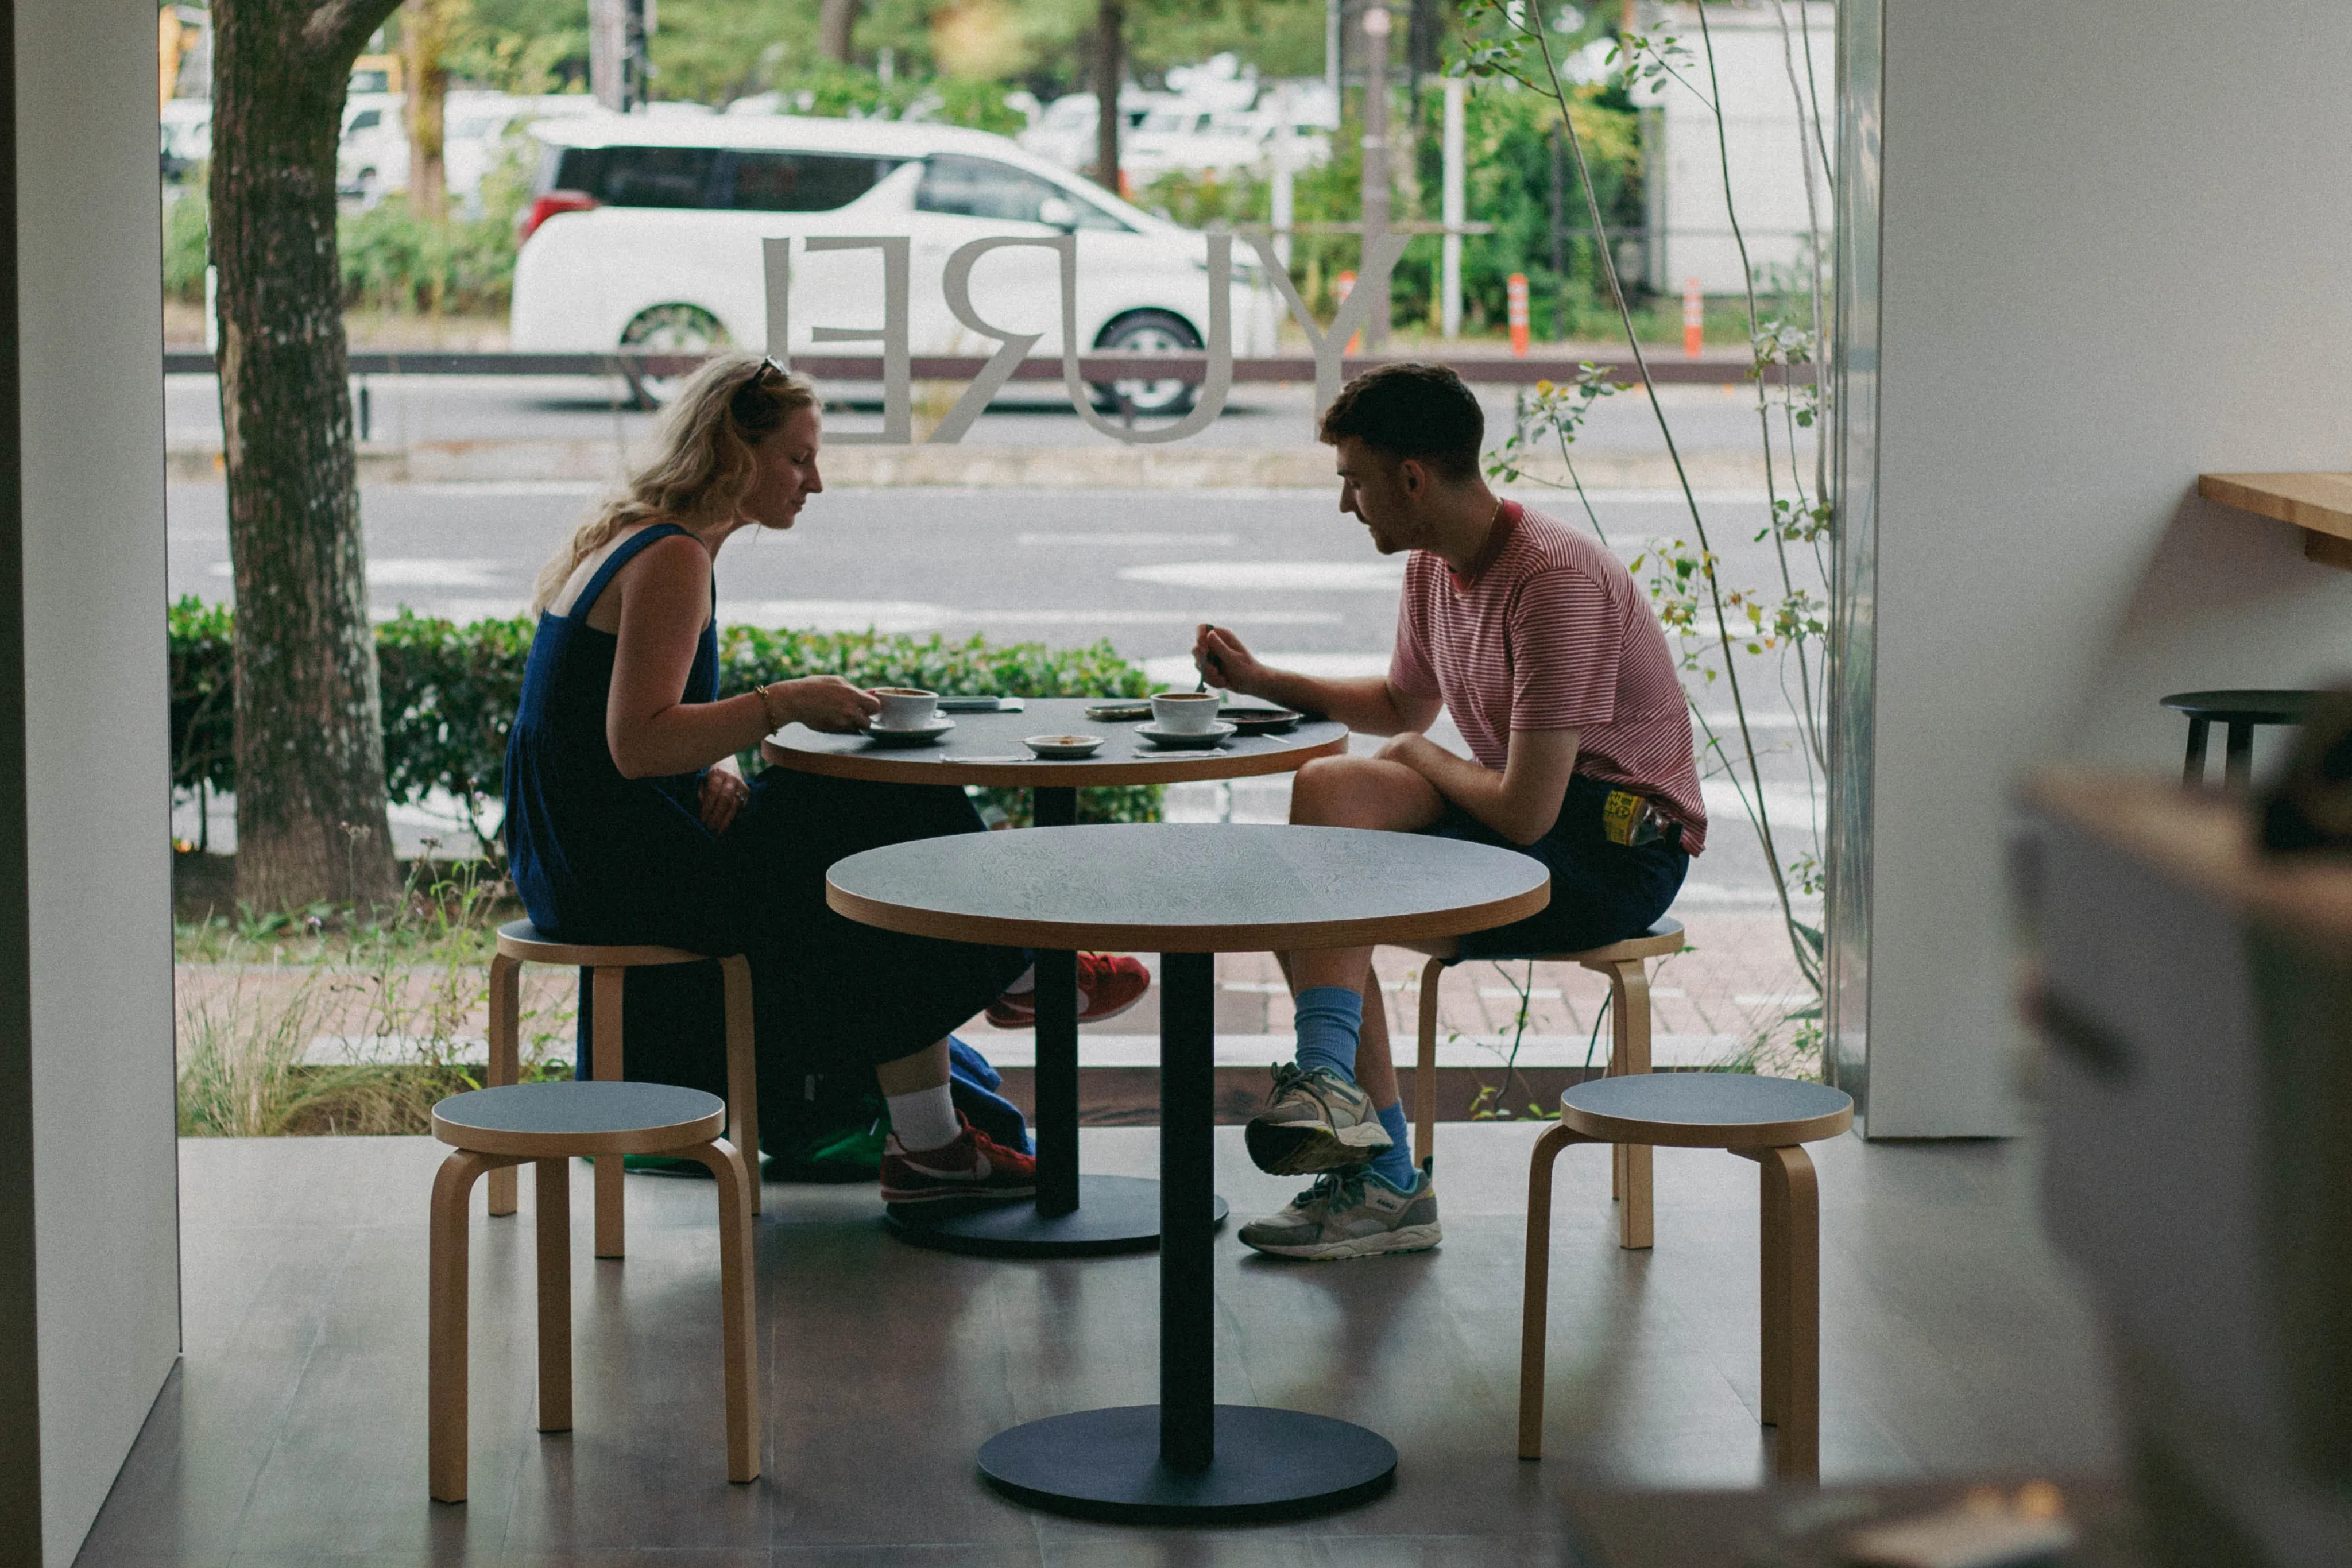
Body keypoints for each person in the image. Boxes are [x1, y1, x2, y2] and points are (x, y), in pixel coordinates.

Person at [503, 353, 1147, 1205]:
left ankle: (942, 1132)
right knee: (879, 821)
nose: (816, 481)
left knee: (868, 820)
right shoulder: (673, 560)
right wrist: (783, 703)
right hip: (622, 875)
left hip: (581, 859)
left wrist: (720, 754)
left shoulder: (641, 541)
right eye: (799, 458)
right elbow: (635, 744)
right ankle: (1016, 979)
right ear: (734, 450)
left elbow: (622, 715)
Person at [1193, 362, 1705, 1261]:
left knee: (1331, 853)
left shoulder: (1556, 582)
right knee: (1327, 796)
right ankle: (1352, 1122)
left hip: (1613, 853)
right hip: (1538, 824)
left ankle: (1371, 1151)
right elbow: (1399, 706)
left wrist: (1425, 755)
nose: (1348, 504)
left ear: (1412, 478)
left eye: (1354, 479)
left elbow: (1522, 812)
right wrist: (1266, 680)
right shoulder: (1436, 566)